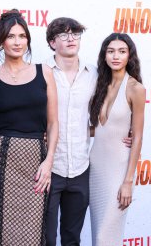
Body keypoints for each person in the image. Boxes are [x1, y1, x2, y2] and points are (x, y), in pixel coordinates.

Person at [0, 9, 59, 245]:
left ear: (28, 40)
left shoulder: (44, 72)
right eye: (11, 36)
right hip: (0, 158)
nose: (17, 42)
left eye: (22, 36)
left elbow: (53, 122)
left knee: (32, 228)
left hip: (36, 159)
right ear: (1, 41)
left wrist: (49, 161)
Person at [89, 33, 145, 246]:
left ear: (129, 55)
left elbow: (138, 136)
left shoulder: (135, 88)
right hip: (95, 169)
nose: (116, 56)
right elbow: (97, 130)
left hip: (118, 171)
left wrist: (128, 182)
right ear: (104, 55)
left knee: (106, 237)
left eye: (122, 51)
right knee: (98, 236)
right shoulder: (100, 86)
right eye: (111, 51)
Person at [44, 17, 96, 246]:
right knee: (45, 237)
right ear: (52, 42)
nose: (71, 38)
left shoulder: (94, 75)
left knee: (72, 237)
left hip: (81, 169)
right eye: (64, 35)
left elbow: (110, 109)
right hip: (49, 168)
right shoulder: (41, 73)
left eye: (75, 33)